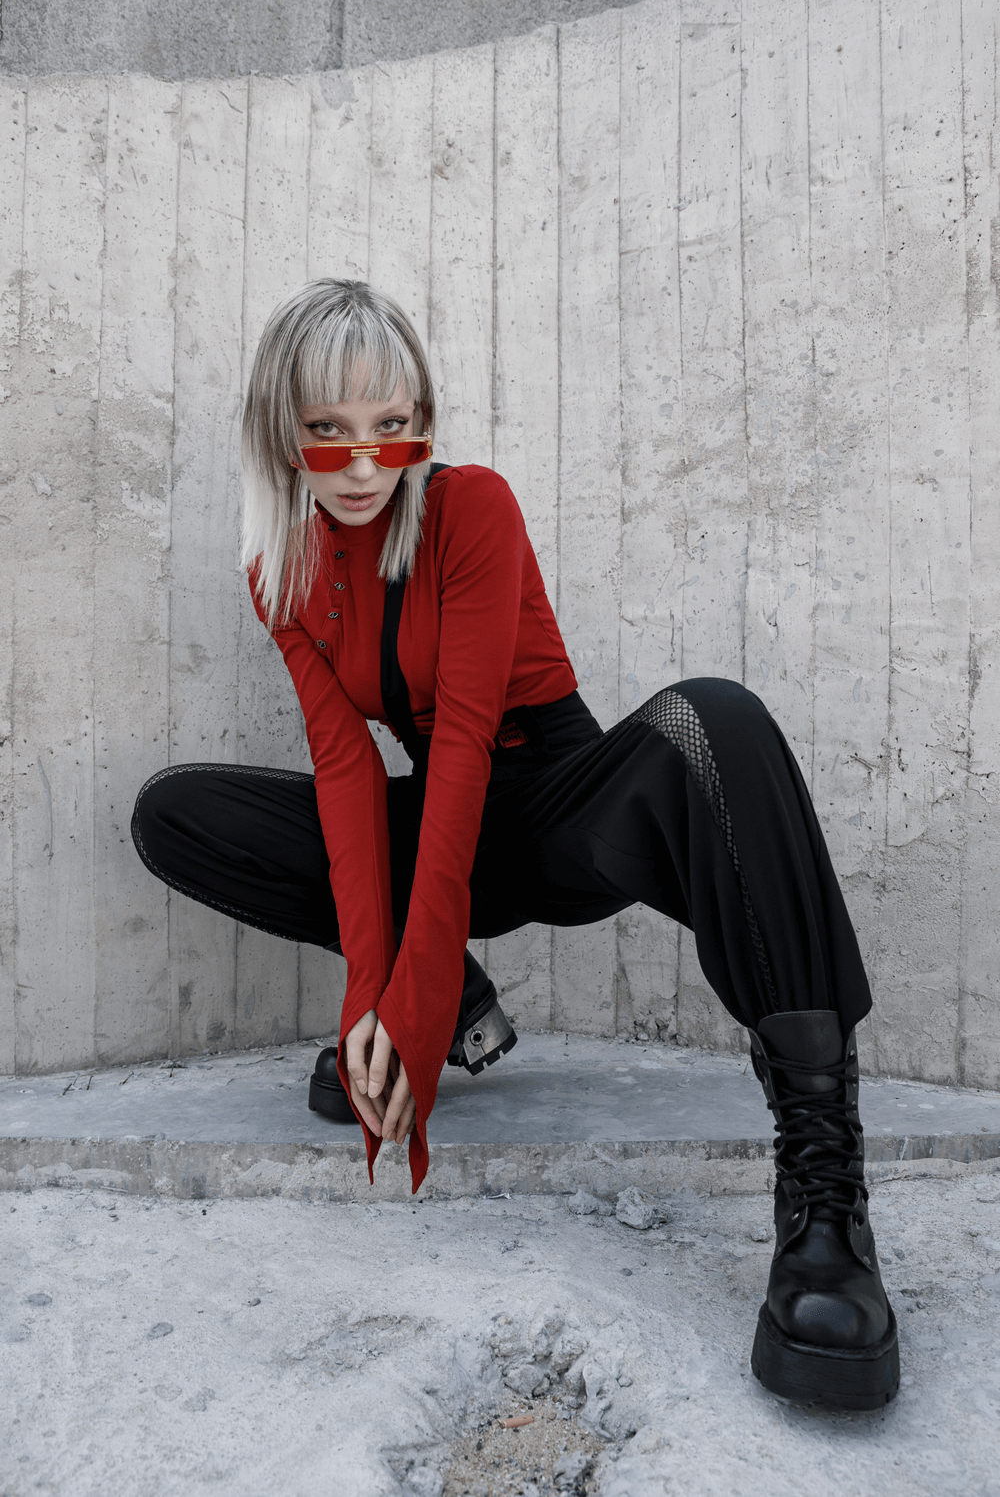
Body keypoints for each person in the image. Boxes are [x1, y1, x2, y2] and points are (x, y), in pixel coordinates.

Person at [131, 278, 898, 1411]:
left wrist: (414, 997)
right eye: (325, 431)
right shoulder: (278, 569)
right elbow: (349, 777)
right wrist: (373, 1000)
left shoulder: (470, 507)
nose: (359, 465)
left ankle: (825, 1198)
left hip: (554, 802)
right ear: (277, 432)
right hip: (446, 829)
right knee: (176, 810)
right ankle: (458, 992)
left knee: (715, 719)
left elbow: (469, 746)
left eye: (391, 428)